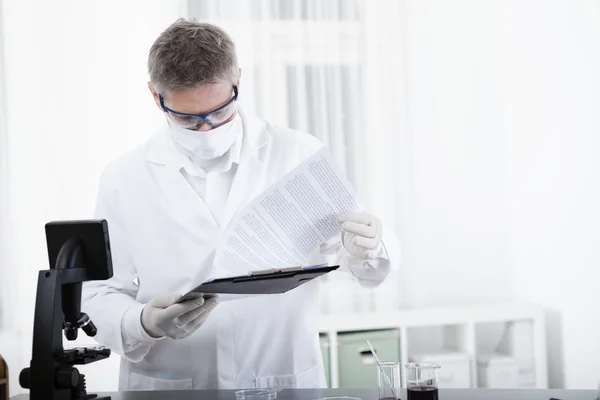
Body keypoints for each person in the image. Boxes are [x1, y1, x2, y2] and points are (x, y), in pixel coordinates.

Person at [82, 18, 399, 391]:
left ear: (238, 82)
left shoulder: (298, 154)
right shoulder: (125, 177)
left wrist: (369, 246)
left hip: (282, 375)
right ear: (156, 96)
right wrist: (144, 322)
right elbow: (98, 292)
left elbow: (364, 268)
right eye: (187, 117)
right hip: (173, 384)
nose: (207, 129)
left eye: (220, 112)